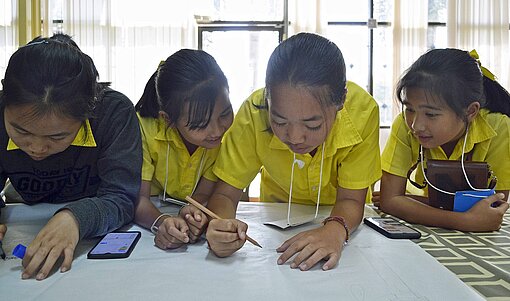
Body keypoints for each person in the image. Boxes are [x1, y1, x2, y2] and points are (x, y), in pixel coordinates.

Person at [204, 32, 381, 271]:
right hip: (275, 222)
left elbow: (351, 199)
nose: (295, 138)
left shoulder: (363, 111)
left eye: (312, 125)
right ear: (267, 99)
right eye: (279, 121)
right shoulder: (253, 114)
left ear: (341, 101)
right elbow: (225, 194)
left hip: (344, 218)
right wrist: (221, 226)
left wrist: (335, 231)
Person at [0, 34, 142, 280]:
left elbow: (122, 197)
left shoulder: (112, 113)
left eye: (56, 137)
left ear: (88, 112)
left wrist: (75, 218)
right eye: (20, 131)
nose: (36, 147)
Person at [374, 48, 510, 231]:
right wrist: (465, 221)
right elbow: (389, 201)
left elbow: (494, 208)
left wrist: (412, 201)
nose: (416, 125)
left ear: (470, 112)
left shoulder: (499, 126)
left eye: (430, 114)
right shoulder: (404, 124)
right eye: (410, 109)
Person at [134, 49, 233, 249]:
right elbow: (138, 200)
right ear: (167, 118)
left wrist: (193, 213)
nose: (217, 131)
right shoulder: (143, 128)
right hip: (150, 212)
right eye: (200, 124)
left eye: (225, 114)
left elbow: (205, 193)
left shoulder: (231, 132)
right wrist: (161, 222)